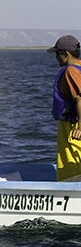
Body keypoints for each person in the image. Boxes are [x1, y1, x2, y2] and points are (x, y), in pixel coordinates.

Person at [49, 35, 81, 181]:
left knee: (71, 167)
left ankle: (71, 193)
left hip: (72, 127)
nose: (56, 57)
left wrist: (79, 128)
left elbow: (80, 99)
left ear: (66, 54)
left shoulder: (71, 72)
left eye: (58, 54)